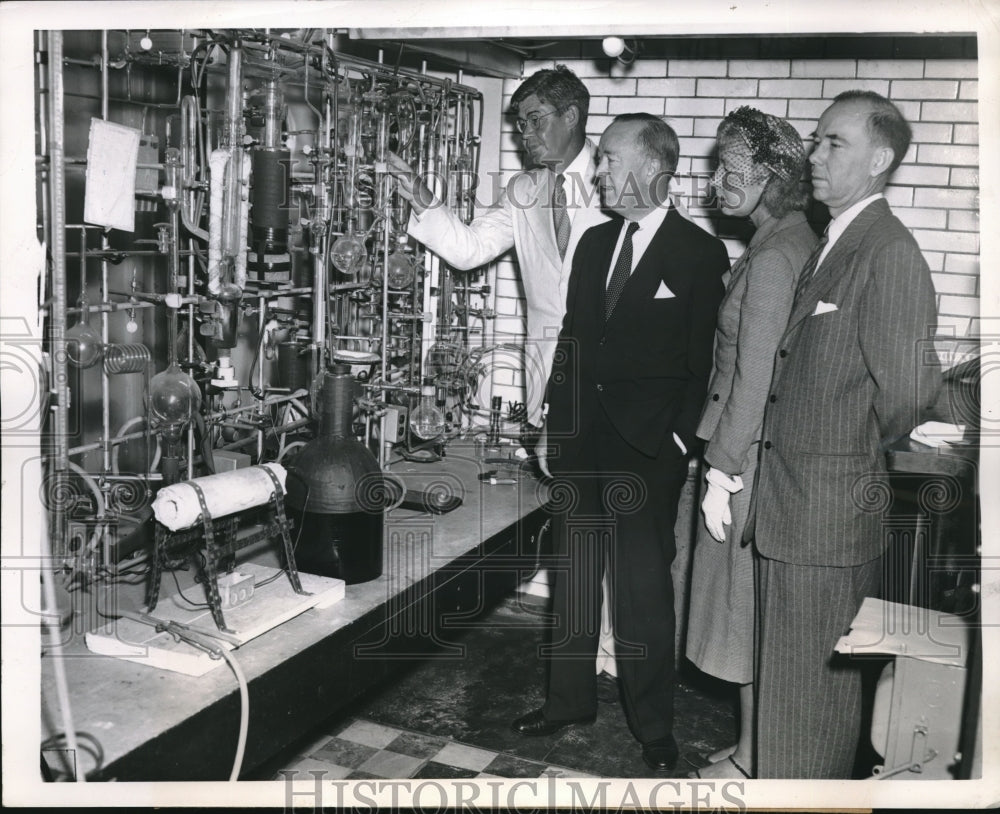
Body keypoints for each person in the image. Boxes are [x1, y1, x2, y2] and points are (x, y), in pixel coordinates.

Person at [387, 65, 621, 690]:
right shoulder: (521, 191)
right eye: (518, 126)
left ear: (573, 116)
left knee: (618, 514)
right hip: (552, 370)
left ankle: (617, 643)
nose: (525, 137)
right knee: (573, 513)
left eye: (535, 122)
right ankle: (581, 651)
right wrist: (428, 206)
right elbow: (465, 250)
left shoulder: (620, 177)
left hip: (618, 374)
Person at [510, 112, 729, 772]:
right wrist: (553, 422)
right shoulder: (595, 243)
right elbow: (573, 340)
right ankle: (567, 701)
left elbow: (708, 362)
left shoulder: (698, 253)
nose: (598, 171)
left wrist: (676, 440)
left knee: (641, 594)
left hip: (646, 452)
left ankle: (654, 728)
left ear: (653, 167)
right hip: (580, 445)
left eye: (608, 158)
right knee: (573, 582)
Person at [747, 90, 941, 778]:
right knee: (791, 699)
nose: (814, 154)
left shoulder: (888, 252)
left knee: (811, 712)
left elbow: (912, 391)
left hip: (825, 514)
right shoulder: (837, 239)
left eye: (833, 143)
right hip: (791, 512)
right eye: (815, 139)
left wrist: (847, 454)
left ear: (879, 159)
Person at [686, 107, 818, 780]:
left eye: (730, 168)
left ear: (772, 176)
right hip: (751, 456)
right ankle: (751, 747)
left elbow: (755, 375)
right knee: (746, 613)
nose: (716, 181)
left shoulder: (774, 257)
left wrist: (721, 469)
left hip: (745, 461)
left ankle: (754, 761)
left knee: (742, 616)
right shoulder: (784, 240)